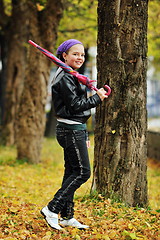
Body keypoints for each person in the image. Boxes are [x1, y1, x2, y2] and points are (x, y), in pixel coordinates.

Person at [41, 39, 108, 230]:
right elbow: (76, 106)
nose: (79, 57)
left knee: (71, 171)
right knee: (82, 172)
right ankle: (52, 209)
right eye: (75, 54)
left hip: (75, 129)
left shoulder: (72, 75)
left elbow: (77, 107)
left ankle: (67, 216)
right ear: (64, 55)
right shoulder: (65, 77)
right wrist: (97, 98)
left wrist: (85, 133)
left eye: (82, 54)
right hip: (69, 130)